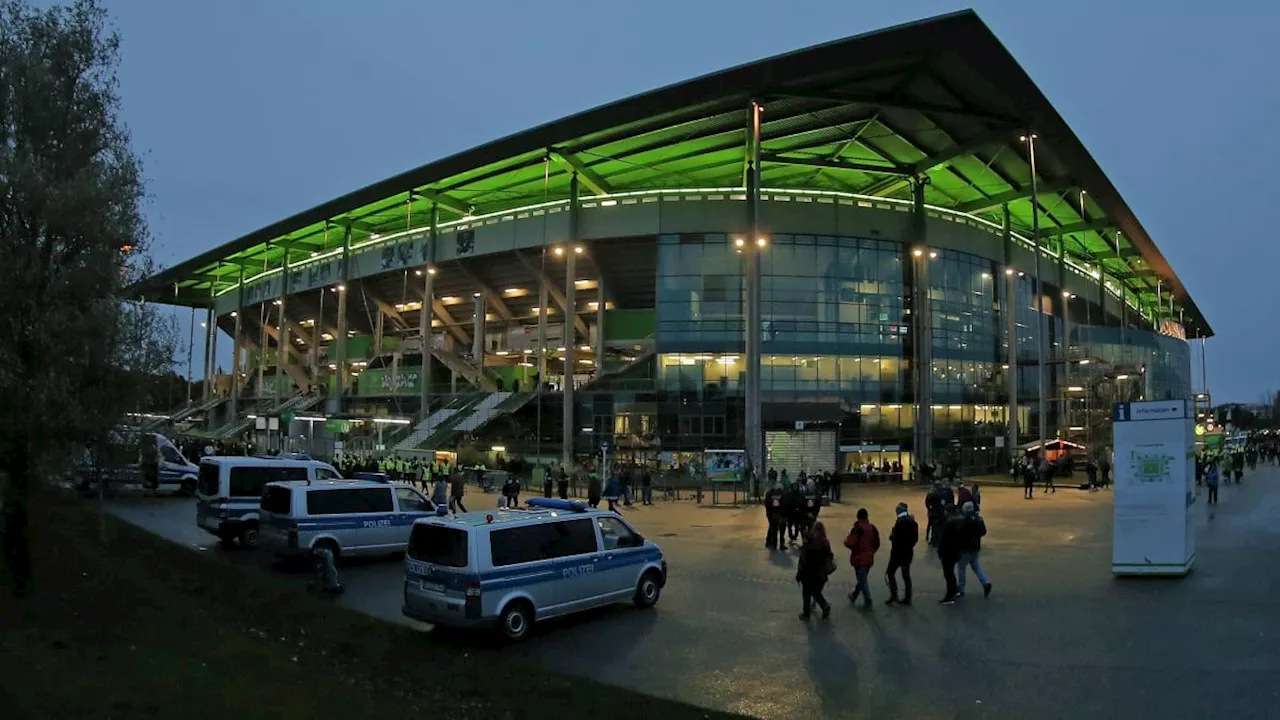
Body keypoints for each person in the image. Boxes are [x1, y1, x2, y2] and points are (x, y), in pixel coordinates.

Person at [843, 508, 881, 610]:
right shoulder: (872, 528)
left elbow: (850, 543)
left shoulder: (857, 528)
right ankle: (854, 595)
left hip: (859, 559)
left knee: (862, 581)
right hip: (869, 558)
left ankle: (868, 601)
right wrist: (871, 551)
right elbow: (877, 543)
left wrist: (846, 540)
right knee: (862, 579)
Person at [796, 521, 834, 620]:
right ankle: (825, 606)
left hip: (808, 572)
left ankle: (806, 614)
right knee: (816, 592)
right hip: (820, 573)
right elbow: (829, 556)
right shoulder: (825, 542)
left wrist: (799, 573)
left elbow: (803, 560)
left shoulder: (809, 543)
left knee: (807, 593)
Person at [956, 501, 992, 598]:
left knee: (961, 568)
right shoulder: (979, 519)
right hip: (976, 546)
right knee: (976, 566)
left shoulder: (964, 520)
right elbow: (983, 532)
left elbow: (960, 533)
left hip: (965, 547)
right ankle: (985, 582)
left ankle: (960, 588)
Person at [885, 502, 918, 606]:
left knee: (890, 573)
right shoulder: (913, 522)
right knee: (906, 575)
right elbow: (915, 539)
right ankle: (908, 598)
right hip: (908, 553)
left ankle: (894, 595)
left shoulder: (899, 522)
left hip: (897, 553)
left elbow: (895, 538)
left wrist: (892, 536)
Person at [936, 505, 963, 604]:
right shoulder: (960, 522)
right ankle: (954, 591)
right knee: (950, 573)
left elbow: (944, 541)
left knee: (948, 574)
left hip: (948, 553)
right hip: (955, 551)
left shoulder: (949, 524)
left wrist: (940, 551)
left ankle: (950, 595)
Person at [764, 482, 785, 550]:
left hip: (772, 513)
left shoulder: (769, 493)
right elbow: (783, 504)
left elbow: (767, 504)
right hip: (775, 514)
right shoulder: (780, 494)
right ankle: (774, 543)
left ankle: (771, 543)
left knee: (772, 527)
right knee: (775, 528)